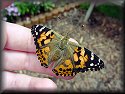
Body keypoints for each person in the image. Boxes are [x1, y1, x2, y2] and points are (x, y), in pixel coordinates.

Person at [1, 21, 73, 91]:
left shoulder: (52, 35)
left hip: (48, 51)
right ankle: (54, 66)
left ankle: (48, 62)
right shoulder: (74, 48)